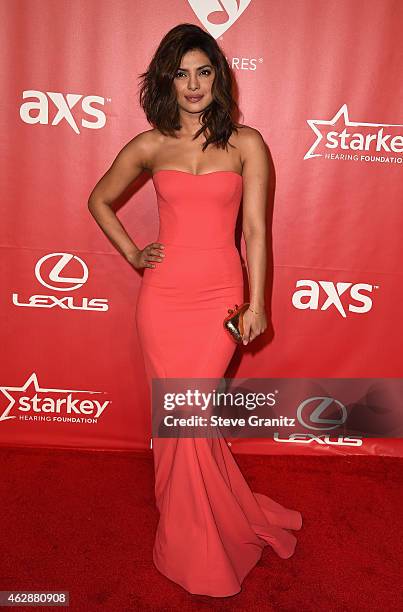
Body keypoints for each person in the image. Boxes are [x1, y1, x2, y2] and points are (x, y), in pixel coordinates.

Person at [88, 23, 302, 598]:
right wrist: (134, 253)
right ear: (166, 79)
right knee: (179, 420)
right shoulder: (152, 144)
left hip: (219, 297)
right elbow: (99, 199)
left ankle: (204, 530)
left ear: (219, 77)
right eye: (181, 73)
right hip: (163, 298)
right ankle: (188, 537)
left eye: (203, 71)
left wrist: (258, 302)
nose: (193, 83)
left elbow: (256, 231)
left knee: (192, 412)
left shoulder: (247, 143)